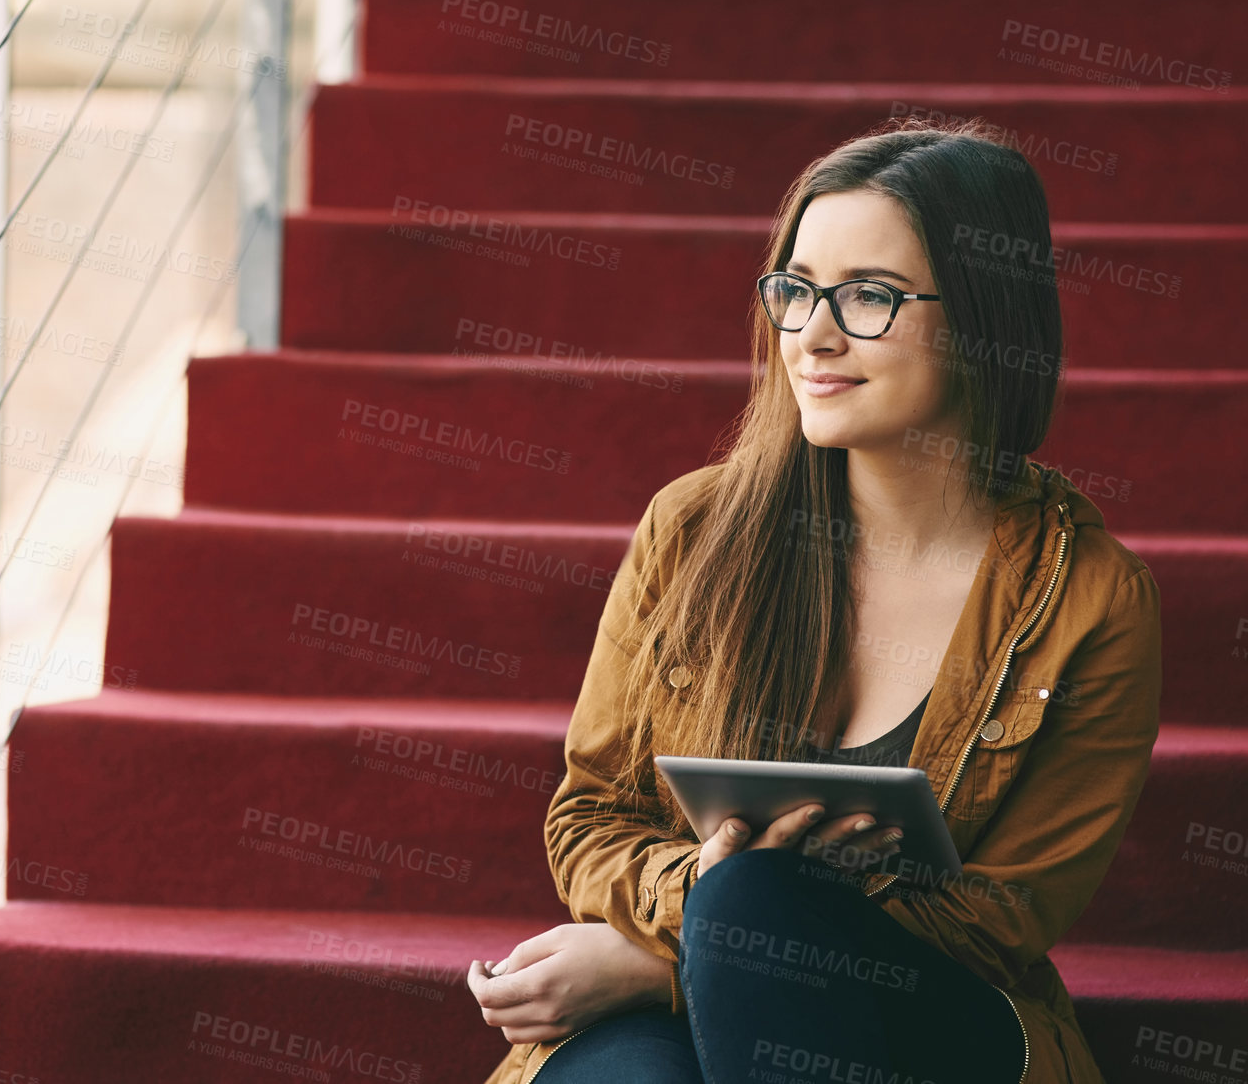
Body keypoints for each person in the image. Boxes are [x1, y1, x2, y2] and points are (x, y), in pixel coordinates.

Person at [467, 119, 1163, 1084]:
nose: (811, 334)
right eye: (793, 291)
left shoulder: (1089, 598)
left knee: (749, 896)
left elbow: (1001, 918)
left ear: (983, 316)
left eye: (868, 296)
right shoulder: (692, 530)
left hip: (928, 1013)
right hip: (699, 983)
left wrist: (673, 955)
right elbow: (591, 815)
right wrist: (705, 914)